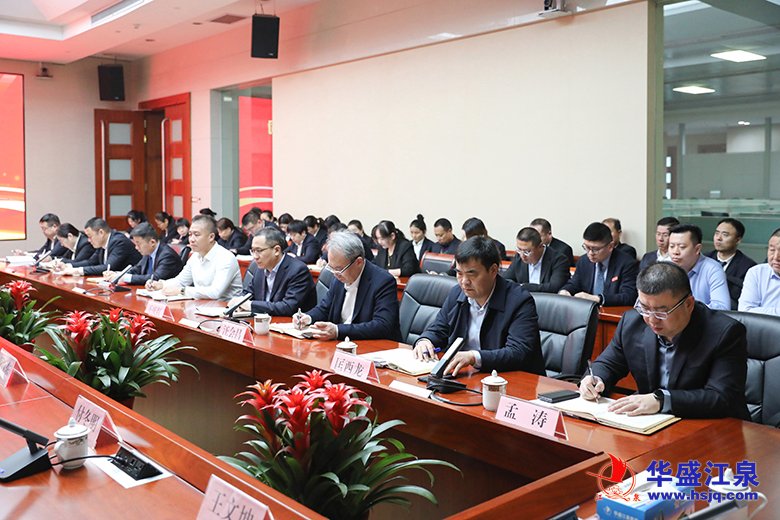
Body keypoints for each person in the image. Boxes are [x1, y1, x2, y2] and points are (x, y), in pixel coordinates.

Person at [579, 262, 749, 420]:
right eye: (644, 308)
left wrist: (661, 400)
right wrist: (595, 379)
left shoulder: (724, 333)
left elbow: (721, 397)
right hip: (651, 422)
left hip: (711, 425)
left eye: (661, 312)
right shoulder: (632, 323)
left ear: (688, 304)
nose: (652, 319)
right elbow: (608, 363)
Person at [413, 236, 545, 376]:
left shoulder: (519, 301)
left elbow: (518, 352)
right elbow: (439, 329)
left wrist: (473, 357)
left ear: (493, 270)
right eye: (459, 273)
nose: (464, 282)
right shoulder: (457, 293)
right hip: (466, 376)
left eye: (471, 274)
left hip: (509, 379)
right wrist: (425, 340)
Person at [293, 231, 400, 341]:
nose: (335, 273)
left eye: (339, 269)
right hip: (339, 344)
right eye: (331, 268)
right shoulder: (338, 277)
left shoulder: (383, 281)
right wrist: (308, 318)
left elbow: (382, 325)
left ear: (359, 262)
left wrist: (338, 331)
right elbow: (325, 308)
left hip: (370, 345)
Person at [147, 215, 242, 300]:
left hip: (225, 309)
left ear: (211, 237)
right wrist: (161, 284)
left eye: (196, 235)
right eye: (190, 234)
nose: (191, 239)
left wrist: (182, 291)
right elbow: (181, 281)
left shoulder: (226, 258)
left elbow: (215, 292)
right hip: (201, 306)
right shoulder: (195, 256)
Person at [229, 228, 317, 316]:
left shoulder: (298, 270)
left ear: (276, 250)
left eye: (259, 251)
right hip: (264, 320)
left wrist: (250, 305)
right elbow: (248, 293)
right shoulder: (259, 268)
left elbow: (288, 307)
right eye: (253, 251)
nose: (255, 256)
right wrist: (238, 301)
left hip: (288, 322)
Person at [559, 222, 638, 306]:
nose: (590, 253)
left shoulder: (627, 263)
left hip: (611, 311)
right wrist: (565, 291)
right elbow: (574, 284)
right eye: (586, 247)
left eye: (595, 249)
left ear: (610, 246)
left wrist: (598, 299)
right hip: (586, 311)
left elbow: (629, 296)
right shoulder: (583, 261)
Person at [668, 224, 729, 310]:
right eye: (671, 246)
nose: (675, 252)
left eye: (682, 247)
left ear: (697, 249)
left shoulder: (713, 269)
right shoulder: (664, 266)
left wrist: (684, 309)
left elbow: (722, 308)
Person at [106, 222, 183, 285]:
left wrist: (126, 278)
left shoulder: (167, 256)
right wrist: (118, 274)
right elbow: (137, 269)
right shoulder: (148, 252)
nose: (136, 247)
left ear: (152, 242)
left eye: (138, 244)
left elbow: (155, 278)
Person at [59, 217, 142, 276]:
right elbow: (90, 262)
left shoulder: (119, 241)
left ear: (101, 233)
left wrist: (78, 271)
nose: (88, 240)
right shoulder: (101, 244)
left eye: (90, 236)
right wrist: (68, 266)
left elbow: (108, 267)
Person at [705, 218, 756, 310]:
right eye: (717, 233)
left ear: (738, 240)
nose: (718, 238)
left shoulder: (748, 267)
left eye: (725, 235)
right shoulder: (704, 259)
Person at [502, 227, 570, 293]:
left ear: (540, 246)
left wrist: (524, 286)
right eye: (519, 249)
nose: (522, 255)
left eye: (527, 251)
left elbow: (554, 287)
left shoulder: (559, 260)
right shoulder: (519, 256)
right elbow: (506, 279)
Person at [738, 228, 780, 315]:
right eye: (772, 250)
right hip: (758, 324)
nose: (776, 257)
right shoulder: (756, 273)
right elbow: (745, 311)